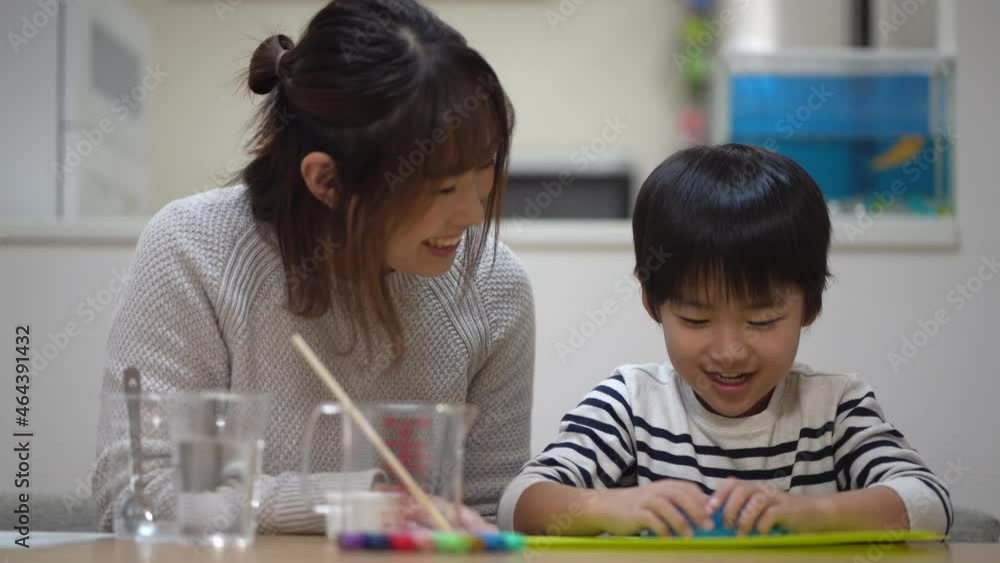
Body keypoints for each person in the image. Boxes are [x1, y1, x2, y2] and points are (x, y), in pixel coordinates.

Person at [93, 0, 534, 534]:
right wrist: (355, 502)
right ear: (327, 181)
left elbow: (484, 512)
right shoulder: (193, 250)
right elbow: (139, 495)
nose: (473, 214)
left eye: (484, 167)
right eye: (442, 188)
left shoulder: (496, 288)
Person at [499, 144, 951, 537]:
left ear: (810, 307)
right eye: (696, 319)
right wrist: (613, 507)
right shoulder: (631, 406)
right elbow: (518, 502)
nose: (729, 351)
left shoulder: (835, 409)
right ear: (653, 303)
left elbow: (929, 502)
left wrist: (813, 512)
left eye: (762, 321)